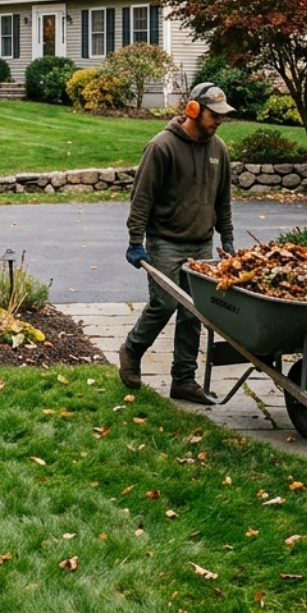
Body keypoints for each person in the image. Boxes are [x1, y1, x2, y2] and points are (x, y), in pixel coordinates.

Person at [117, 82, 236, 404]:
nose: (219, 121)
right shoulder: (162, 147)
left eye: (222, 116)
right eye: (214, 115)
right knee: (165, 303)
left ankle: (183, 380)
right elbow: (141, 199)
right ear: (194, 110)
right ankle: (132, 349)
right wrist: (135, 240)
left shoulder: (219, 149)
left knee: (195, 312)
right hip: (165, 241)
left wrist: (227, 239)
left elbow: (222, 201)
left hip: (201, 243)